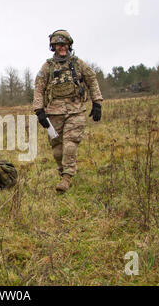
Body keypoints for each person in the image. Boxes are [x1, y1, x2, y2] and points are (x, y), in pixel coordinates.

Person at [33, 30, 103, 193]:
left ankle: (67, 177)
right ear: (53, 47)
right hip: (53, 113)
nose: (61, 48)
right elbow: (38, 88)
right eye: (58, 45)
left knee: (70, 145)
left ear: (69, 45)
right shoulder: (47, 67)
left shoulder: (79, 64)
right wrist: (39, 111)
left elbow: (92, 80)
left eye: (64, 45)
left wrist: (97, 102)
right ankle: (62, 172)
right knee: (57, 150)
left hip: (75, 110)